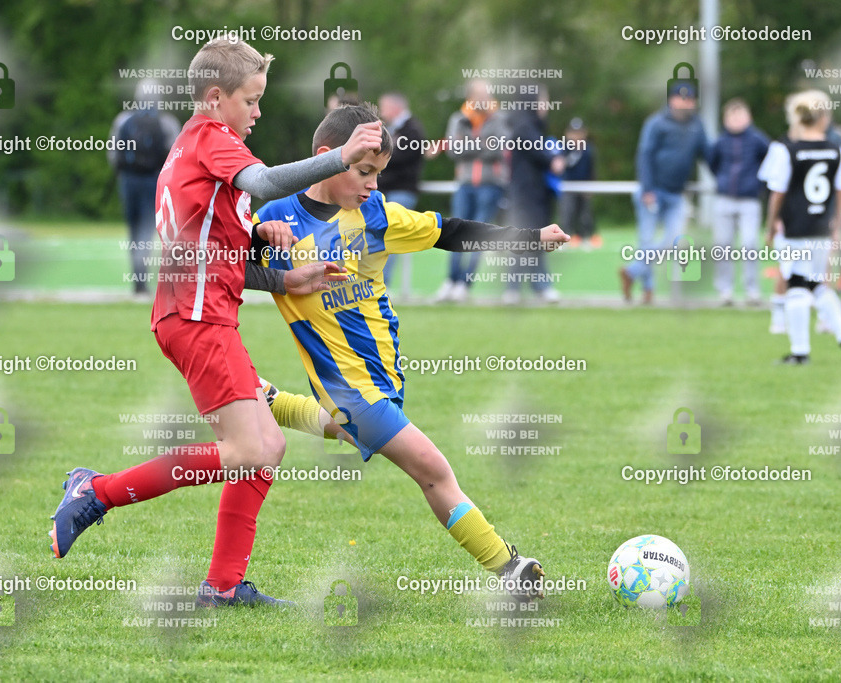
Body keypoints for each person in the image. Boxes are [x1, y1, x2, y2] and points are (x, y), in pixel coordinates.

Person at [48, 38, 383, 608]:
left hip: (200, 315)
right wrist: (339, 156)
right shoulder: (211, 138)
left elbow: (217, 256)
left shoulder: (193, 150)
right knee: (247, 450)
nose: (258, 113)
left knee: (268, 445)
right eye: (251, 101)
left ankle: (223, 586)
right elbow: (264, 184)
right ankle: (95, 491)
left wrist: (282, 273)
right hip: (197, 319)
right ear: (214, 98)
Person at [250, 103, 570, 598]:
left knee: (344, 427)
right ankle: (509, 570)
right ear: (326, 158)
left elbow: (451, 232)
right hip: (350, 388)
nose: (373, 185)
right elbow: (217, 263)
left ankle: (272, 401)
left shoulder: (376, 216)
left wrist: (529, 238)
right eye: (363, 171)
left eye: (378, 173)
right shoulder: (275, 219)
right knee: (433, 472)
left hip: (382, 379)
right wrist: (257, 243)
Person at [758, 90, 841, 365]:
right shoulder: (835, 149)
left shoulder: (785, 148)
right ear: (822, 117)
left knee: (796, 285)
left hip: (795, 228)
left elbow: (777, 193)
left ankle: (800, 351)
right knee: (817, 284)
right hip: (822, 228)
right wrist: (837, 227)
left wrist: (770, 227)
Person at [620, 78, 708, 304]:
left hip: (677, 194)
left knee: (671, 241)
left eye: (690, 99)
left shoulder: (697, 125)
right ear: (671, 100)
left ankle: (631, 272)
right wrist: (648, 189)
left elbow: (708, 155)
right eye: (681, 98)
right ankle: (648, 291)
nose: (685, 103)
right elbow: (645, 155)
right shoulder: (656, 123)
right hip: (653, 191)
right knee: (646, 242)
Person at [436, 80, 509, 303]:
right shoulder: (458, 118)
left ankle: (465, 284)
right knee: (455, 230)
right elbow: (453, 150)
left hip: (490, 184)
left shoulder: (501, 118)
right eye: (480, 95)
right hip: (465, 183)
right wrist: (481, 145)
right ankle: (451, 280)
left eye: (487, 94)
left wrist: (469, 145)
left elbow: (498, 148)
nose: (485, 99)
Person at [108, 80, 182, 296]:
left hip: (129, 180)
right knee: (155, 230)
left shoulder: (123, 119)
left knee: (134, 230)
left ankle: (138, 282)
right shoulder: (167, 122)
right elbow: (176, 156)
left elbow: (113, 153)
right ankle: (167, 284)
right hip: (155, 180)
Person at [502, 84, 564, 305]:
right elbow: (537, 148)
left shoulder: (532, 125)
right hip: (525, 194)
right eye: (544, 99)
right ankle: (519, 288)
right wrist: (553, 159)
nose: (546, 105)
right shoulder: (524, 125)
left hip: (535, 193)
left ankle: (534, 287)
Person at [707, 99, 770, 306]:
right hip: (725, 199)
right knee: (723, 245)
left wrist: (758, 183)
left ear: (748, 118)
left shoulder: (758, 140)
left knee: (749, 244)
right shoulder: (720, 142)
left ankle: (752, 290)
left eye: (740, 116)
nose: (736, 121)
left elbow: (770, 160)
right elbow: (713, 163)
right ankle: (725, 291)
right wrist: (723, 181)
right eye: (732, 117)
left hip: (749, 200)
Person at [377, 92, 426, 289]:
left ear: (395, 107)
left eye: (384, 107)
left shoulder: (413, 130)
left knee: (391, 235)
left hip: (402, 190)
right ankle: (373, 281)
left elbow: (398, 158)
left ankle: (382, 283)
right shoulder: (389, 129)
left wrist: (380, 154)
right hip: (382, 190)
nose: (381, 111)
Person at [559, 118, 599, 250]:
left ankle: (585, 237)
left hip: (584, 186)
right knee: (567, 212)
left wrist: (591, 186)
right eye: (573, 133)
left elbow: (592, 169)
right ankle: (564, 238)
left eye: (579, 133)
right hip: (568, 186)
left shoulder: (588, 150)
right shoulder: (563, 149)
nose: (576, 136)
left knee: (585, 214)